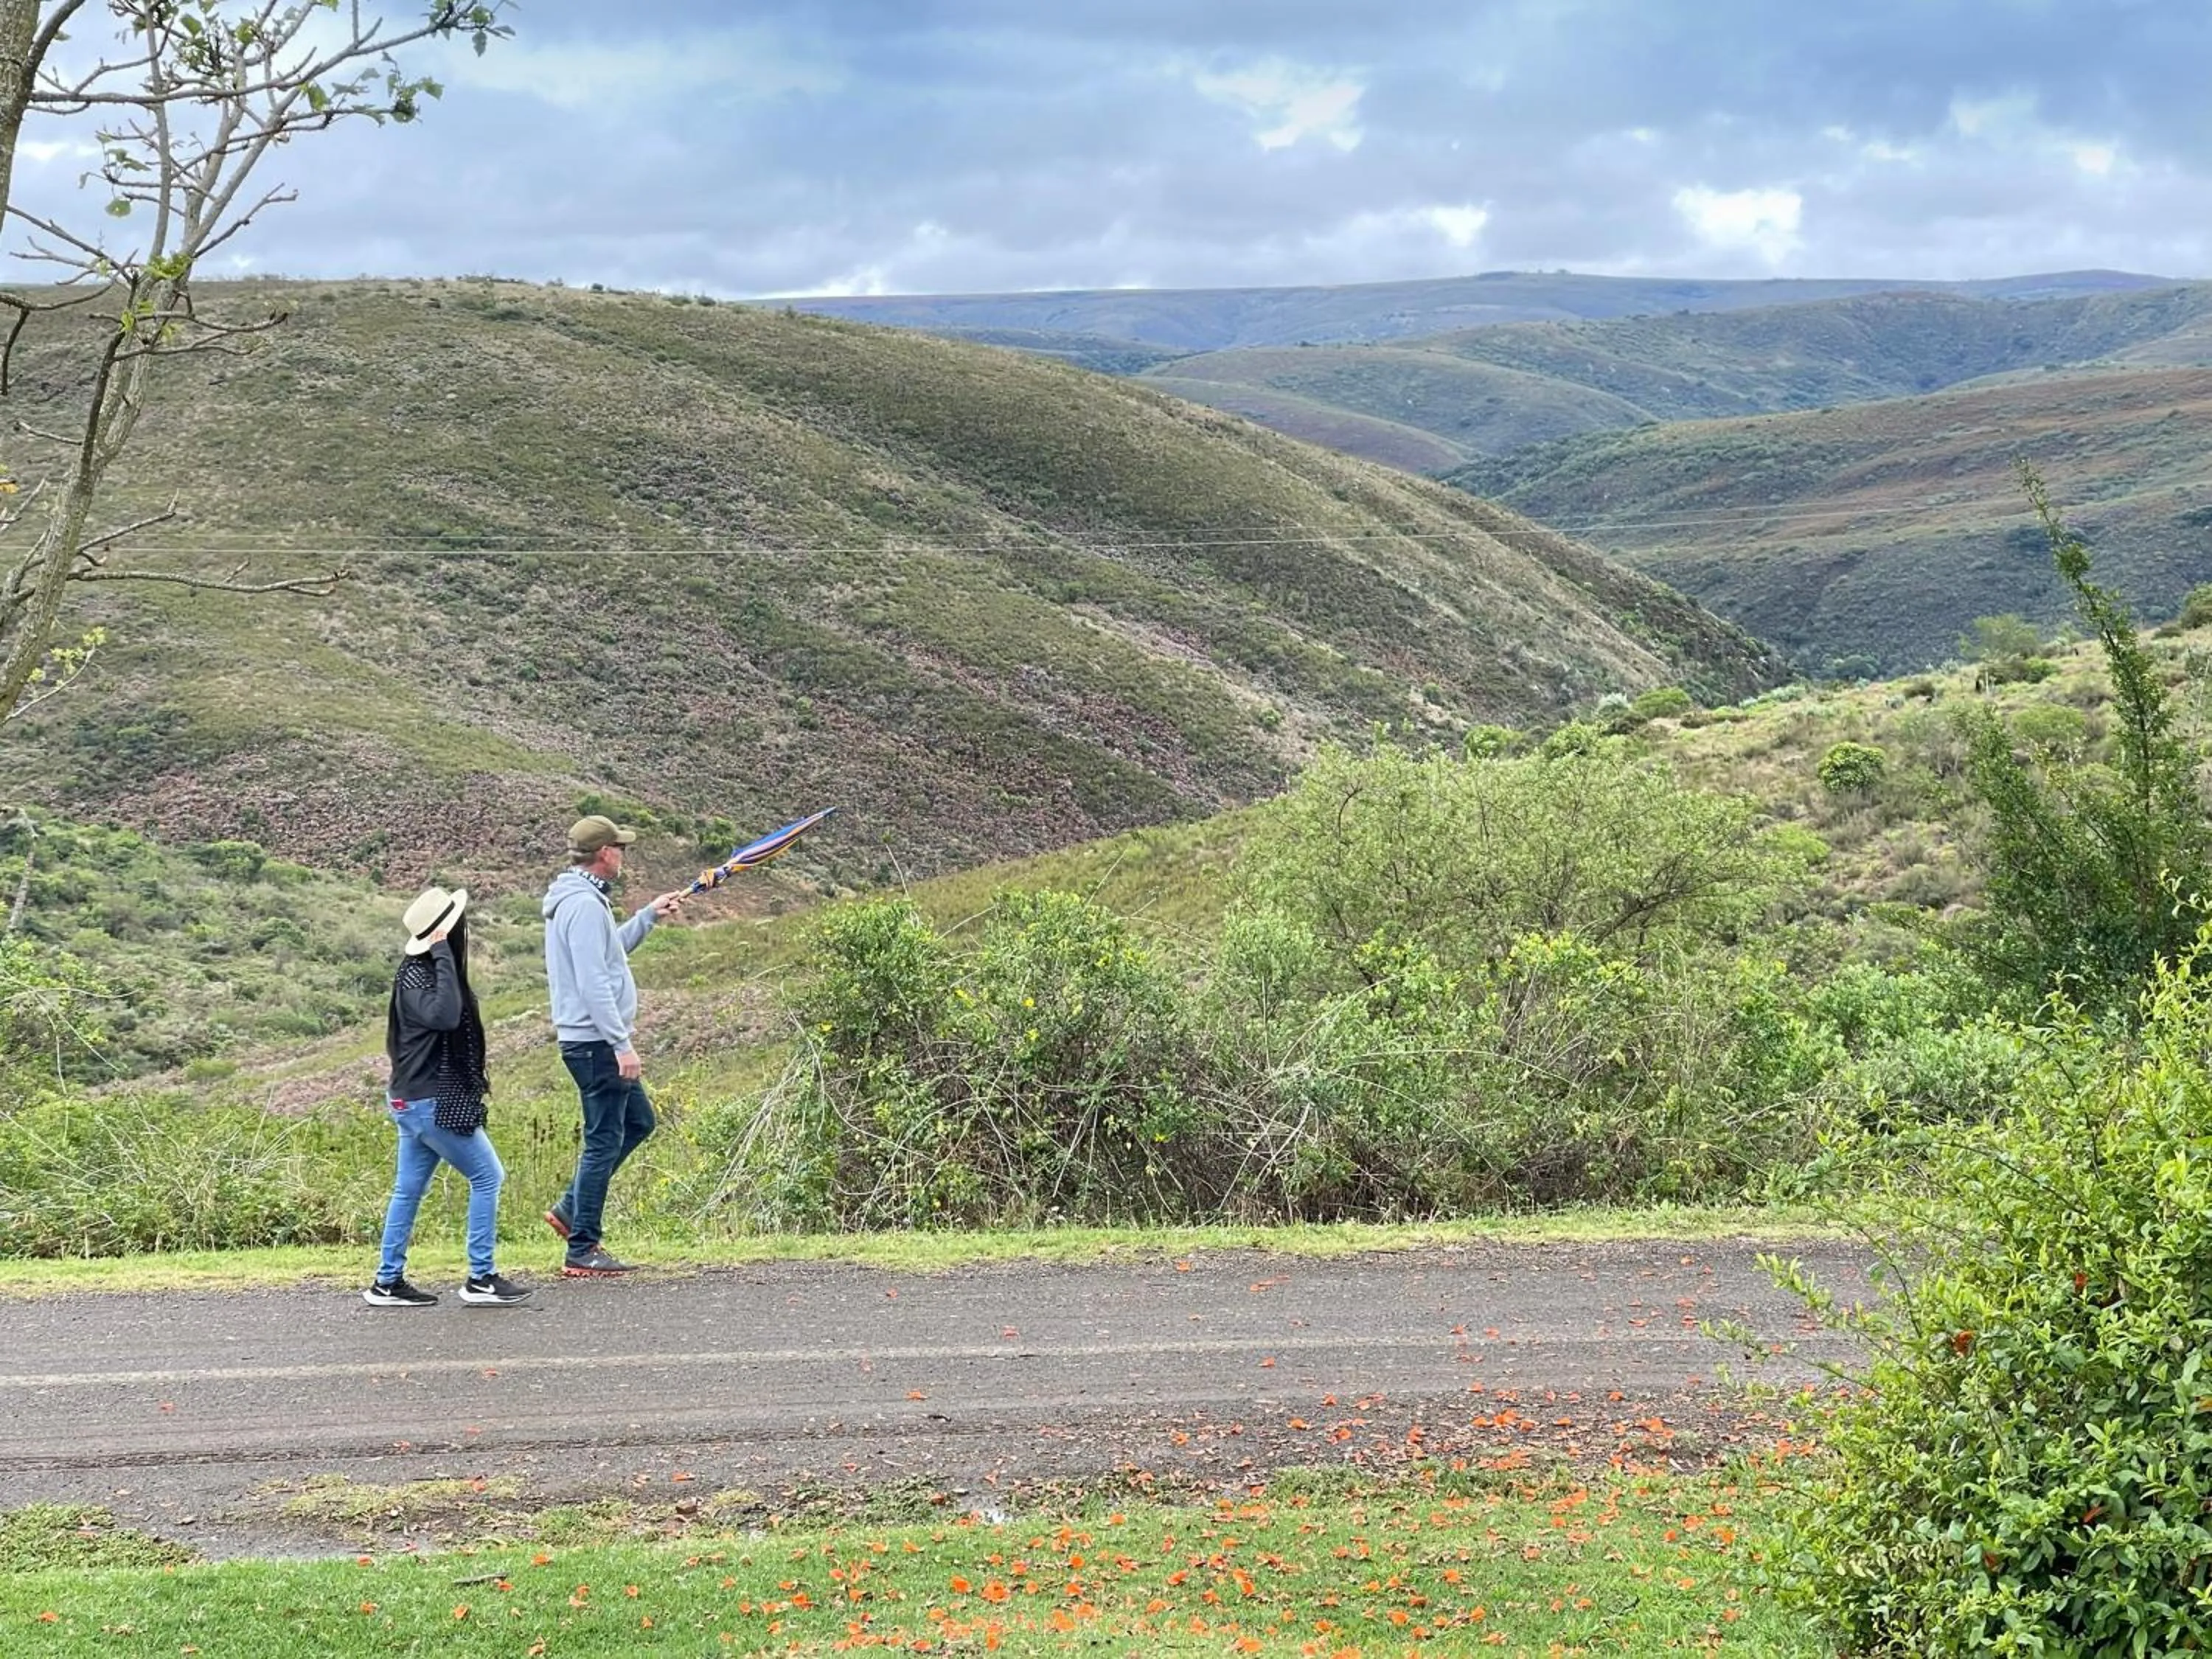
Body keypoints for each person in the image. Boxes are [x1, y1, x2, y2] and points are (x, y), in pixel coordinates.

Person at [367, 885, 532, 1307]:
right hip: (429, 1101)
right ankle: (481, 1278)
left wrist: (441, 956)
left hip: (412, 1099)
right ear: (444, 931)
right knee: (487, 1176)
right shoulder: (420, 973)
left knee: (408, 1190)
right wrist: (442, 951)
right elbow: (443, 1015)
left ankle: (387, 1282)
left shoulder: (416, 973)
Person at [541, 815, 685, 1276]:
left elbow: (609, 956)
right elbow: (593, 982)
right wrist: (621, 1043)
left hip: (593, 1041)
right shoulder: (583, 905)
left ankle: (570, 1210)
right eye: (620, 848)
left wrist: (647, 917)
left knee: (639, 1122)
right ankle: (582, 1247)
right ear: (605, 853)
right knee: (603, 1139)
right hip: (596, 1043)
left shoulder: (584, 900)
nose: (623, 854)